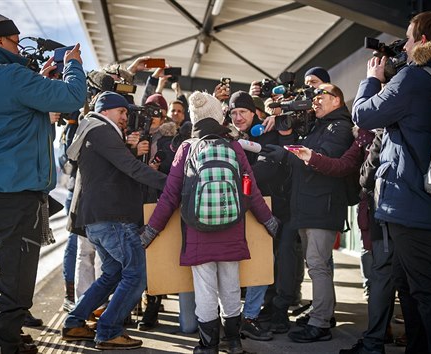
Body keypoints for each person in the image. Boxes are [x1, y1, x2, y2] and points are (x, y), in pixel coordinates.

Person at [0, 13, 86, 354]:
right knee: (14, 290)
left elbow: (8, 113)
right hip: (13, 195)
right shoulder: (11, 76)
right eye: (14, 41)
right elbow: (72, 98)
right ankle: (3, 348)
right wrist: (73, 65)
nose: (20, 48)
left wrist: (37, 80)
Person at [352, 11, 431, 353]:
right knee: (410, 285)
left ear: (424, 41)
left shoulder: (413, 79)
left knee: (427, 290)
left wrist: (371, 79)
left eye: (410, 36)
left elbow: (364, 114)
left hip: (409, 201)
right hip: (418, 199)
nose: (406, 43)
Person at [139, 91, 279, 354]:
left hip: (197, 232)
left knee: (205, 290)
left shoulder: (187, 148)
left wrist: (151, 230)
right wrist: (268, 220)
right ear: (218, 116)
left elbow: (170, 195)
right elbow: (252, 189)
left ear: (194, 119)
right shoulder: (234, 146)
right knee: (230, 287)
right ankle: (234, 342)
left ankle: (208, 345)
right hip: (233, 228)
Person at [61, 91, 167, 350]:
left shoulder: (95, 133)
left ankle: (74, 322)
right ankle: (108, 330)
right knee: (136, 275)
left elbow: (115, 168)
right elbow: (131, 168)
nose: (125, 118)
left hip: (98, 220)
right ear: (106, 111)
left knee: (113, 273)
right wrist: (172, 183)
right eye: (121, 112)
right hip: (113, 219)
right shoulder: (101, 131)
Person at [263, 83, 354, 343]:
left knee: (317, 265)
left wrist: (286, 150)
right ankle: (323, 313)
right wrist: (288, 136)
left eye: (320, 96)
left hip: (322, 207)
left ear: (336, 100)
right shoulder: (320, 126)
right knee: (317, 265)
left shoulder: (340, 128)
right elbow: (302, 156)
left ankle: (320, 324)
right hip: (308, 206)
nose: (314, 101)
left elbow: (320, 159)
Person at [228, 90, 296, 341]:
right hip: (244, 209)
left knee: (271, 264)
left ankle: (266, 314)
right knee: (249, 264)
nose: (238, 117)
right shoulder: (232, 135)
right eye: (233, 112)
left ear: (253, 112)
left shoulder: (268, 130)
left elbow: (268, 169)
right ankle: (248, 315)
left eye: (242, 112)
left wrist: (238, 179)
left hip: (275, 208)